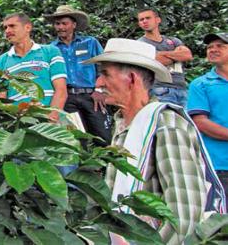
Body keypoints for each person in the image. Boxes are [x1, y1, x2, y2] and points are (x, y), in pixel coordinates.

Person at [84, 38, 225, 244]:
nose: (98, 83)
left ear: (132, 79)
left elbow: (184, 214)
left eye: (105, 74)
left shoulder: (165, 124)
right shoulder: (124, 124)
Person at [45, 5, 111, 144]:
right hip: (67, 98)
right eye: (57, 24)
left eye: (64, 23)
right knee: (75, 138)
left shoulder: (90, 43)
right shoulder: (51, 49)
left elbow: (104, 66)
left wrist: (100, 90)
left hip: (92, 96)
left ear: (73, 24)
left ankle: (107, 165)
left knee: (103, 136)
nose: (60, 27)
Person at [0, 13, 67, 122]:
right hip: (19, 121)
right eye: (5, 27)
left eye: (12, 26)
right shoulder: (1, 61)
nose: (7, 31)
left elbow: (61, 90)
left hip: (49, 119)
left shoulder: (50, 51)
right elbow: (1, 97)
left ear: (28, 27)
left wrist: (52, 118)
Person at [188, 32, 228, 193]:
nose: (213, 50)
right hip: (217, 164)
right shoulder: (201, 84)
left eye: (220, 46)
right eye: (210, 47)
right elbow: (200, 122)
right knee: (220, 217)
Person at [137, 8, 192, 106]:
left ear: (158, 20)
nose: (144, 21)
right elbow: (156, 61)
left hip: (182, 88)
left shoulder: (173, 40)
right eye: (141, 19)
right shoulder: (140, 44)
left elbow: (187, 55)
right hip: (159, 89)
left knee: (186, 121)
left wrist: (161, 54)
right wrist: (175, 54)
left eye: (148, 18)